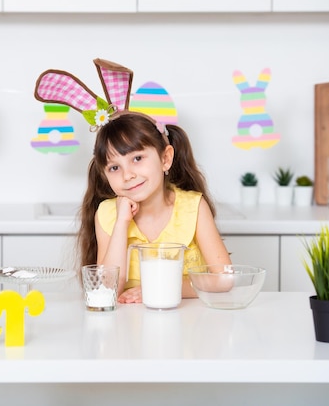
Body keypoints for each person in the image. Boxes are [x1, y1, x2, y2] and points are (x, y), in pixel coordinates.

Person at [76, 112, 231, 303]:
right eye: (114, 168)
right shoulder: (107, 214)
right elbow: (107, 289)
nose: (127, 175)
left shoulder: (194, 208)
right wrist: (121, 223)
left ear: (165, 159)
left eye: (137, 158)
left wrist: (159, 288)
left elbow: (224, 279)